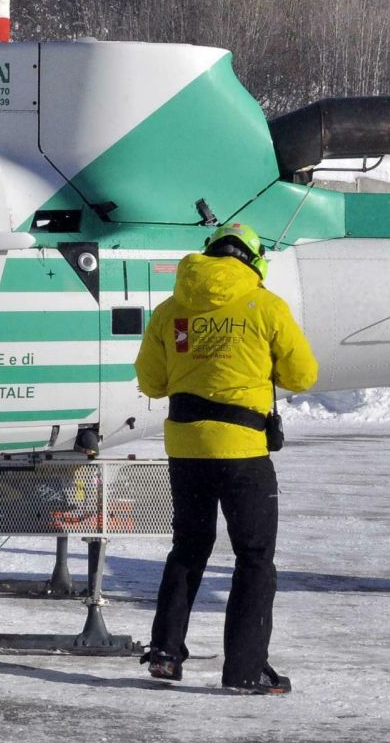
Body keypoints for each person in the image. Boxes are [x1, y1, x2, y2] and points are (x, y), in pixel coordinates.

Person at [135, 223, 318, 694]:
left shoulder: (169, 311)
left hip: (186, 449)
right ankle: (245, 669)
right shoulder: (265, 307)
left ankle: (165, 654)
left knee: (188, 549)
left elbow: (152, 383)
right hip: (242, 452)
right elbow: (302, 375)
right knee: (254, 558)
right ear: (254, 262)